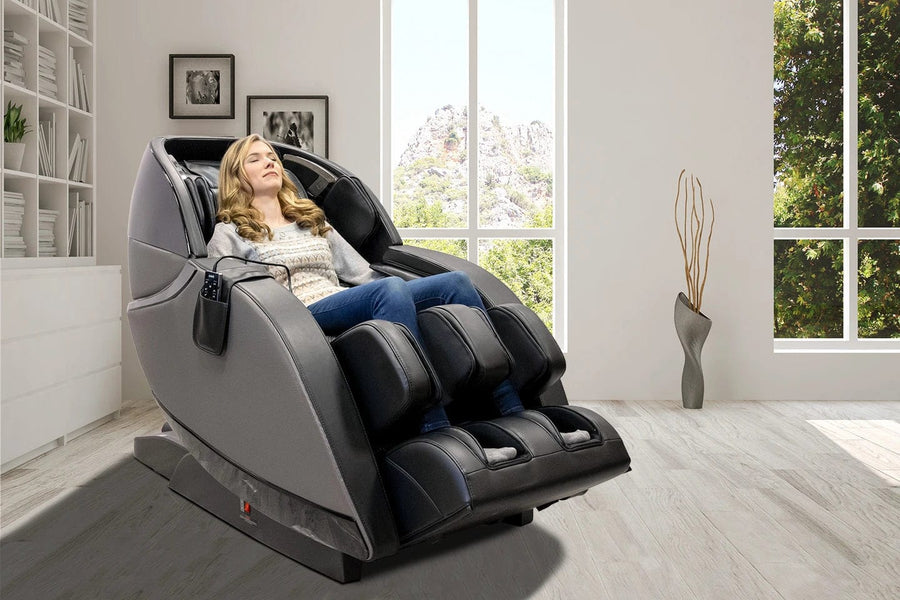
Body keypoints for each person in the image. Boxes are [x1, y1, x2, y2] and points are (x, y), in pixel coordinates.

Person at [205, 134, 524, 442]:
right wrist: (391, 294)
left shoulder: (310, 219)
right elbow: (231, 296)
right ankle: (431, 422)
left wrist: (408, 295)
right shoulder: (230, 233)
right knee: (390, 291)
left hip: (341, 298)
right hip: (297, 315)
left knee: (455, 284)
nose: (269, 162)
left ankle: (511, 409)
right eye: (255, 159)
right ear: (236, 174)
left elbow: (360, 273)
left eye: (272, 157)